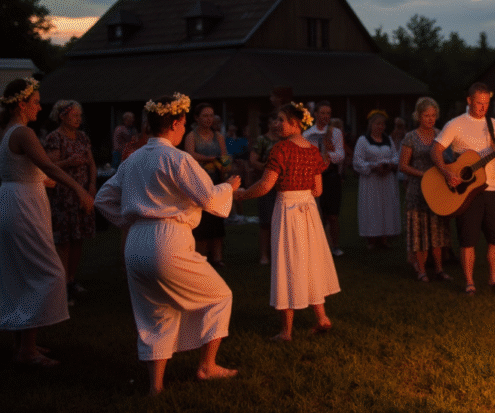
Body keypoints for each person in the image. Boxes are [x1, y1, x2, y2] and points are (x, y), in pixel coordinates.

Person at [93, 93, 238, 394]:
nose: (184, 128)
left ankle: (155, 387)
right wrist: (230, 187)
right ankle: (207, 366)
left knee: (154, 313)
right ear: (174, 123)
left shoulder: (133, 162)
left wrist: (130, 221)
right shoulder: (176, 158)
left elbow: (103, 199)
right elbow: (209, 197)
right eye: (184, 123)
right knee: (219, 296)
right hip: (167, 241)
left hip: (136, 243)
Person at [1, 78, 94, 367]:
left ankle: (24, 344)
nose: (41, 107)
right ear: (21, 104)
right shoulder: (22, 133)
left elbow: (35, 173)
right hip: (22, 205)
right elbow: (48, 165)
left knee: (22, 273)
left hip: (15, 199)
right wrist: (78, 189)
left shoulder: (6, 132)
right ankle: (28, 351)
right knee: (47, 272)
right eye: (36, 102)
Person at [235, 102, 340, 341]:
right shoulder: (313, 151)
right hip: (309, 211)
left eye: (281, 119)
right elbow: (318, 190)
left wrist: (242, 194)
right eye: (275, 120)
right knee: (310, 260)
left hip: (288, 210)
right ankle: (321, 317)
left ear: (295, 123)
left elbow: (265, 185)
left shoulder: (281, 149)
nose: (276, 124)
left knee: (287, 263)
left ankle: (286, 331)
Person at [431, 82, 495, 295]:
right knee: (468, 238)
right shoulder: (456, 124)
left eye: (487, 103)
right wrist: (447, 173)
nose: (483, 107)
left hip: (493, 188)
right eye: (479, 103)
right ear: (469, 100)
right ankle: (469, 282)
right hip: (466, 191)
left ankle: (494, 280)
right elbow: (435, 150)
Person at [43, 99, 97, 305]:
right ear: (62, 116)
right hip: (64, 195)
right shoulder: (54, 138)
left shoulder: (82, 137)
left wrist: (92, 185)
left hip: (83, 193)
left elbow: (91, 163)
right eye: (74, 115)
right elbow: (50, 166)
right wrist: (68, 162)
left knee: (78, 237)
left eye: (79, 116)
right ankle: (62, 284)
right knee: (64, 239)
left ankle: (72, 279)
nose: (78, 119)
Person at [399, 97, 453, 282]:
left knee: (437, 230)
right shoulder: (410, 137)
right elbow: (403, 165)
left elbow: (447, 159)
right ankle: (421, 270)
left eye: (433, 115)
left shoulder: (441, 135)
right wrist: (423, 175)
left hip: (438, 189)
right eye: (426, 115)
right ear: (418, 116)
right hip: (417, 189)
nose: (430, 119)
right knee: (418, 230)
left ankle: (438, 268)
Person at [183, 103, 230, 266]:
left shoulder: (218, 136)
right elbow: (190, 155)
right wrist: (211, 159)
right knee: (202, 221)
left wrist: (225, 166)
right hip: (198, 182)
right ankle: (201, 256)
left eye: (211, 115)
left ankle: (217, 257)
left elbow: (224, 156)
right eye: (205, 115)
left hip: (216, 180)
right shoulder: (191, 136)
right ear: (197, 118)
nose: (209, 119)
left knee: (216, 218)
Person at [353, 110, 401, 249]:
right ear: (371, 124)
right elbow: (358, 161)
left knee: (386, 206)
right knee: (372, 207)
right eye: (377, 124)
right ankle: (372, 238)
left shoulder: (388, 140)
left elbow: (395, 156)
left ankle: (385, 237)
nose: (380, 127)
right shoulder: (363, 141)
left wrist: (390, 164)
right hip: (371, 181)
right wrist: (374, 167)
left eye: (382, 124)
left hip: (386, 181)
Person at [303, 101, 345, 257]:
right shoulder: (307, 134)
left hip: (331, 175)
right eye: (323, 113)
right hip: (314, 175)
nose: (326, 116)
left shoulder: (335, 133)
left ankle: (335, 245)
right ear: (316, 114)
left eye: (328, 113)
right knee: (316, 212)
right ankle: (316, 246)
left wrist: (328, 155)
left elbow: (340, 155)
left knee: (332, 214)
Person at [249, 123, 280, 265]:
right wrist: (268, 168)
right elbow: (253, 160)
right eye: (274, 120)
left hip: (282, 186)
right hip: (266, 184)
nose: (276, 124)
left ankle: (278, 253)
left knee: (280, 222)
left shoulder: (285, 139)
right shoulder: (262, 140)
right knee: (266, 221)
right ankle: (264, 255)